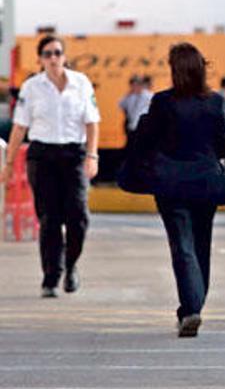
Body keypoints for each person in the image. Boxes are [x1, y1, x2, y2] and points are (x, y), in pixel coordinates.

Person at [128, 43, 225, 338]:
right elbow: (224, 146)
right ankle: (193, 307)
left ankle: (190, 309)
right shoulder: (215, 103)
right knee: (202, 245)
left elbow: (147, 141)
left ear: (175, 70)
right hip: (205, 184)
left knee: (182, 246)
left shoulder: (163, 102)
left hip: (171, 186)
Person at [0, 35, 101, 298]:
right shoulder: (31, 88)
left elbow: (92, 122)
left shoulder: (81, 84)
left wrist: (92, 156)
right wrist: (9, 163)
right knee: (49, 218)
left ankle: (71, 265)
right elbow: (20, 127)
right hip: (43, 156)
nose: (53, 58)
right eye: (47, 54)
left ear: (64, 56)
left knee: (79, 216)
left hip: (73, 155)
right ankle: (51, 276)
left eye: (57, 53)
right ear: (40, 59)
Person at [118, 74, 153, 147]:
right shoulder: (130, 97)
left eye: (137, 84)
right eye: (133, 84)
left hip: (143, 127)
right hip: (131, 127)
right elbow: (121, 104)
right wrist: (129, 93)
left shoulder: (147, 95)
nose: (135, 86)